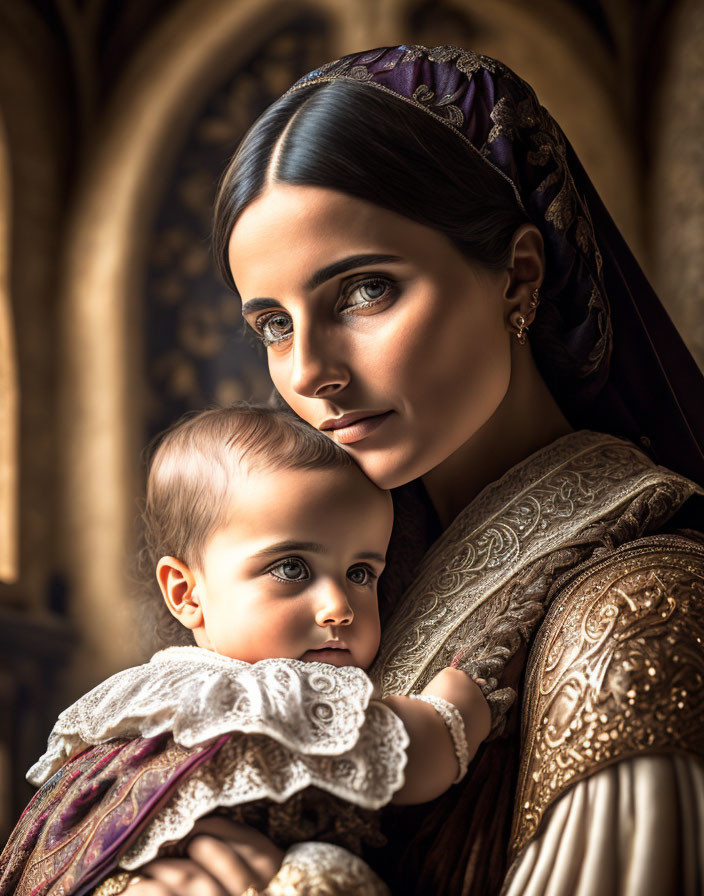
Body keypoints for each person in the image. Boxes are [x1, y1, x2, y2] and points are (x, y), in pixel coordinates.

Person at [0, 404, 490, 896]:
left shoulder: (135, 697)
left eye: (360, 573)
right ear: (187, 593)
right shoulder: (269, 692)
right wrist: (454, 711)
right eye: (292, 569)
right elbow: (409, 754)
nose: (339, 607)